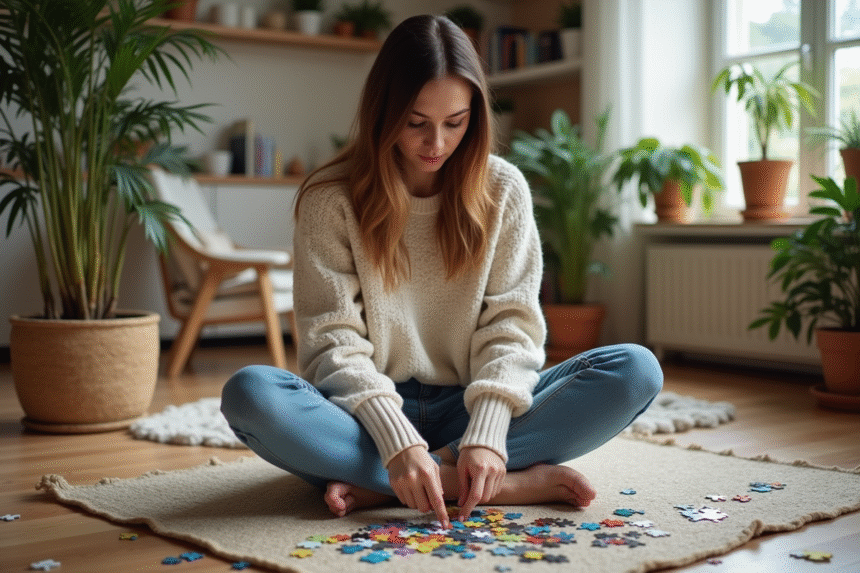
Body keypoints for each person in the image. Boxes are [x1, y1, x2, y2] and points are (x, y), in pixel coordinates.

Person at [221, 14, 663, 529]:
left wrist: (488, 435)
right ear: (384, 112)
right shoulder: (330, 199)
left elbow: (513, 327)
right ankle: (485, 483)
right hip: (363, 412)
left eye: (455, 122)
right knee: (251, 394)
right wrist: (396, 441)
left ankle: (400, 480)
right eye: (416, 123)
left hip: (470, 405)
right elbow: (332, 340)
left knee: (635, 371)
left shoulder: (503, 189)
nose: (436, 143)